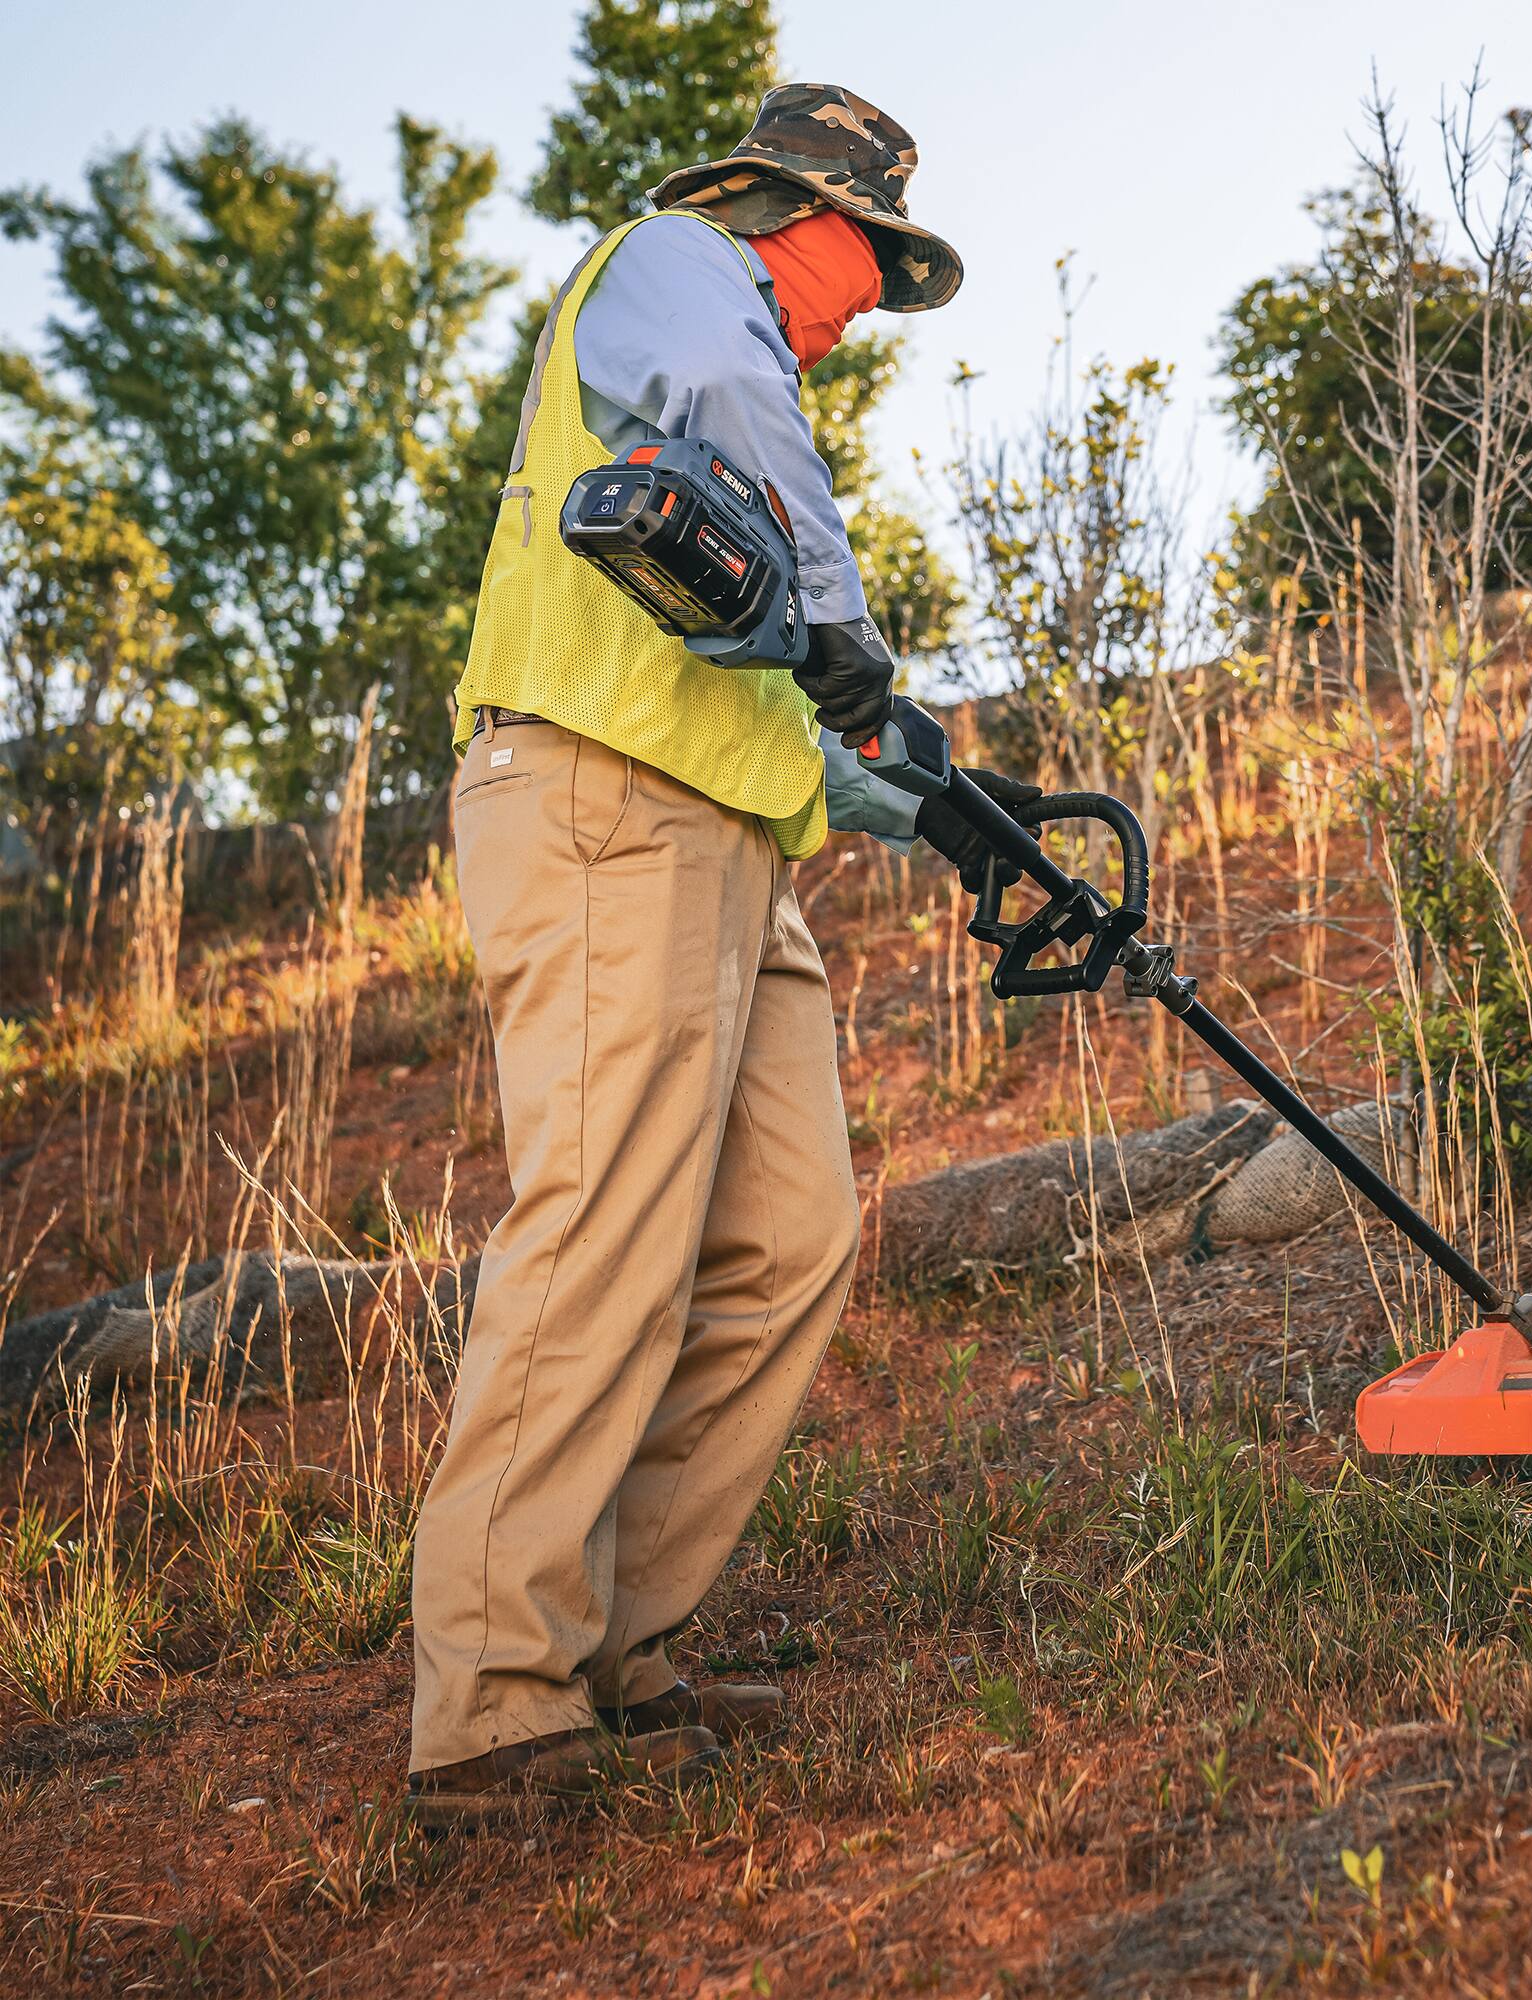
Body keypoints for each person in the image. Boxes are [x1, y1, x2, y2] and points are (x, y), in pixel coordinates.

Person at [407, 84, 1037, 1826]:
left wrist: (950, 809)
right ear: (795, 213)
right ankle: (494, 1700)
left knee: (787, 1239)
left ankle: (616, 1645)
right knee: (604, 1222)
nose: (862, 312)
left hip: (726, 837)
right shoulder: (681, 268)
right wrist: (844, 628)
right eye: (867, 268)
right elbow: (739, 414)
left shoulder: (729, 426)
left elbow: (773, 689)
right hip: (600, 803)